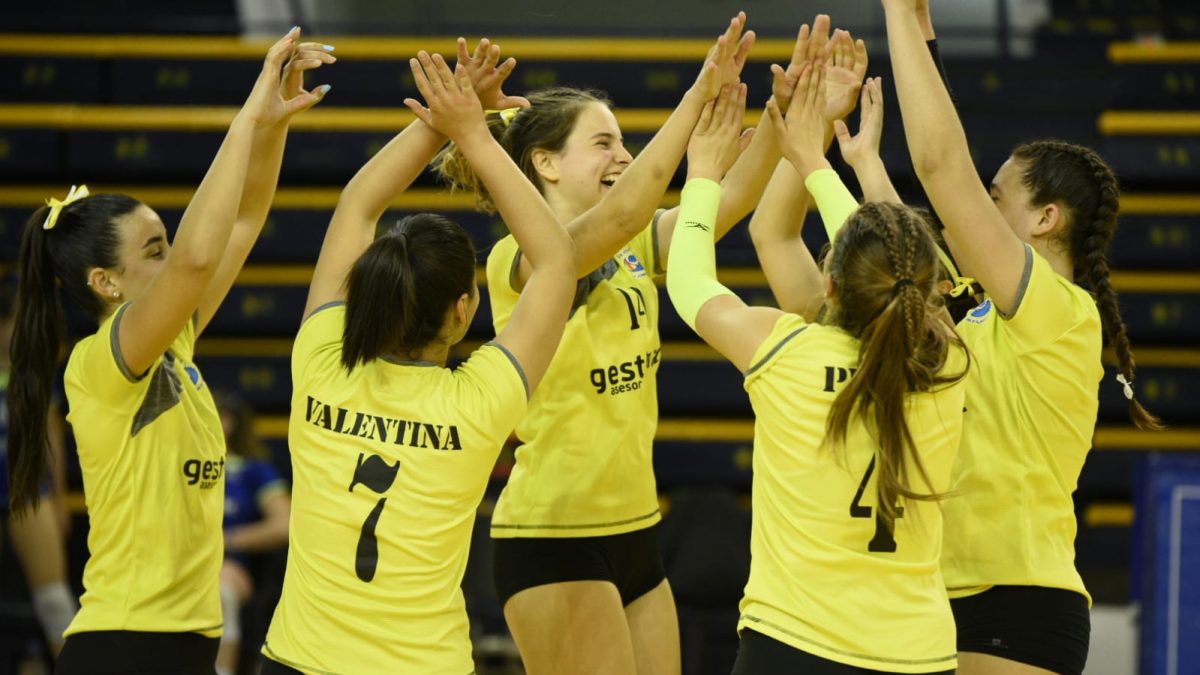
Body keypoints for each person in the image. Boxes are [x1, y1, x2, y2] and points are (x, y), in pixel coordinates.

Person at [435, 14, 868, 673]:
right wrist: (697, 97)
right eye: (603, 143)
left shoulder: (633, 242)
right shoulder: (524, 260)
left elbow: (727, 199)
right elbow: (621, 214)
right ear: (545, 163)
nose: (624, 156)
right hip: (555, 534)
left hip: (636, 526)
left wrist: (790, 115)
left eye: (623, 142)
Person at [7, 29, 331, 673]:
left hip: (187, 641)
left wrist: (273, 125)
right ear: (106, 283)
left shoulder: (173, 339)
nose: (174, 258)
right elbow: (197, 260)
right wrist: (245, 117)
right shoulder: (101, 358)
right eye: (155, 250)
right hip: (125, 643)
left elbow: (243, 220)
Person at [258, 44, 577, 674]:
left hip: (295, 661)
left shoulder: (321, 360)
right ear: (463, 310)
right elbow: (557, 262)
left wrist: (444, 121)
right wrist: (471, 131)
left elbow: (358, 204)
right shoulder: (478, 403)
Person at [882, 1, 1163, 673]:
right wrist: (919, 29)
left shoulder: (1061, 311)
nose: (979, 209)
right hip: (942, 594)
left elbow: (942, 168)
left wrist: (892, 11)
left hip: (1019, 601)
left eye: (996, 198)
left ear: (1045, 218)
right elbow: (920, 226)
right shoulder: (984, 311)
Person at [667, 60, 968, 675]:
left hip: (792, 644)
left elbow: (689, 281)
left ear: (828, 284)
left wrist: (703, 176)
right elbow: (898, 267)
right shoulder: (946, 361)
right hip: (916, 654)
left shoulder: (785, 351)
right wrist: (815, 159)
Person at [0, 277, 78, 661]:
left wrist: (59, 500)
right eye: (19, 321)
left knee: (54, 599)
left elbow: (52, 441)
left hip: (27, 490)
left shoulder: (35, 374)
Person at [212, 391, 290, 675]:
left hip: (231, 564)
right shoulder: (174, 462)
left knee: (220, 591)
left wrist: (227, 540)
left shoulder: (253, 470)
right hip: (180, 560)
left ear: (229, 421)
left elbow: (284, 524)